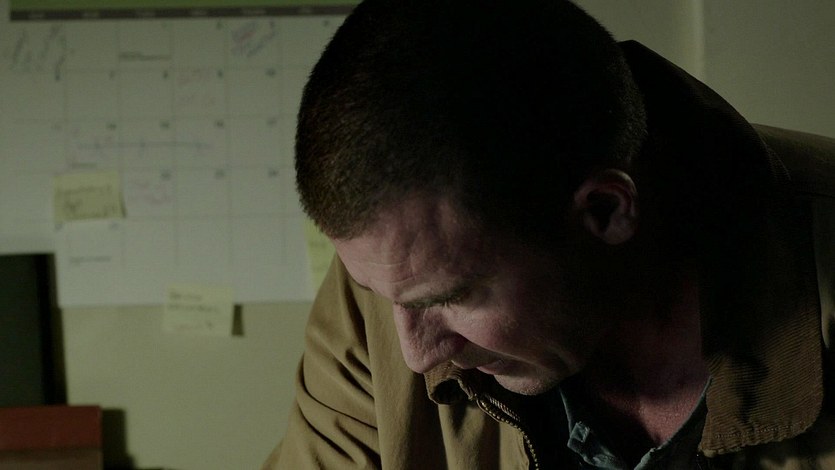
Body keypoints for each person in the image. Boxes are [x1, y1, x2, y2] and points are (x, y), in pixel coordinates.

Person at [264, 0, 835, 468]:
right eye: (383, 295)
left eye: (453, 298)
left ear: (606, 211)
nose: (416, 356)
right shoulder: (398, 271)